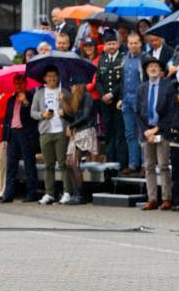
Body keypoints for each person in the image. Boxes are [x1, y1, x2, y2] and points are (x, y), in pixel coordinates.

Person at [134, 55, 177, 211]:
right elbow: (137, 112)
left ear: (160, 70)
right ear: (146, 70)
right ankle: (152, 198)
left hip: (162, 131)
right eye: (150, 67)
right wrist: (146, 131)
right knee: (149, 166)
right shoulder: (141, 88)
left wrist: (156, 129)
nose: (153, 69)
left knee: (164, 165)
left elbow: (171, 112)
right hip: (146, 133)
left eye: (156, 67)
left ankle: (166, 198)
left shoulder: (168, 87)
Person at [31, 65, 74, 205]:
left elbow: (73, 112)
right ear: (44, 78)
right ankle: (49, 193)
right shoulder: (39, 93)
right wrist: (42, 115)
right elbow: (33, 113)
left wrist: (65, 103)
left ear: (58, 77)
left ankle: (67, 192)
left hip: (61, 131)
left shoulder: (65, 92)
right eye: (49, 76)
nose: (52, 79)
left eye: (54, 76)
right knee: (48, 165)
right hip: (45, 132)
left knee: (63, 164)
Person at [2, 74, 38, 203]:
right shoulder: (11, 99)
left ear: (26, 84)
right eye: (16, 83)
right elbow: (7, 119)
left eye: (21, 83)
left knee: (29, 163)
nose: (18, 85)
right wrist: (5, 138)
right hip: (13, 133)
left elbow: (34, 116)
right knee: (11, 165)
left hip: (26, 133)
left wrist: (26, 102)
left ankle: (32, 193)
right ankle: (8, 194)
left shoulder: (31, 97)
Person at [61, 82, 98, 204]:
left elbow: (86, 116)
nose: (71, 88)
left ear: (78, 86)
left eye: (72, 86)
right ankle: (76, 192)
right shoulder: (76, 99)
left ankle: (80, 195)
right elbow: (74, 118)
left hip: (86, 131)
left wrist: (71, 126)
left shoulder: (87, 96)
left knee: (74, 161)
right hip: (77, 132)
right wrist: (65, 110)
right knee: (68, 163)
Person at [96, 29, 128, 170]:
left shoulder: (123, 58)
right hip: (105, 104)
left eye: (113, 43)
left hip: (118, 103)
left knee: (120, 134)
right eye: (108, 44)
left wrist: (112, 94)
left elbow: (125, 81)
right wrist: (103, 94)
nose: (111, 46)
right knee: (108, 134)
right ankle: (110, 165)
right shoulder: (102, 59)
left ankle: (121, 165)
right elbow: (98, 81)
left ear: (118, 44)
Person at [117, 32, 145, 176]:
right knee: (129, 134)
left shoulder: (144, 59)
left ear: (140, 43)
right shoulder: (124, 59)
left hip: (140, 101)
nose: (133, 45)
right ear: (127, 44)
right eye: (130, 43)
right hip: (126, 100)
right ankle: (132, 164)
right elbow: (122, 81)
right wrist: (121, 98)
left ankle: (145, 164)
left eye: (135, 43)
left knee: (142, 133)